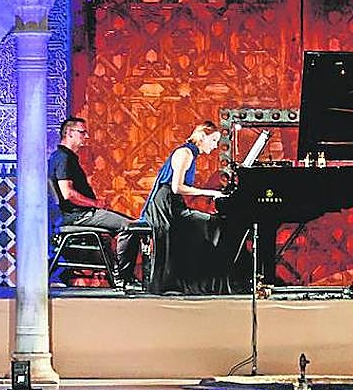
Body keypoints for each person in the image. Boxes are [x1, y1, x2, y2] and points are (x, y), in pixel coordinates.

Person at [48, 116, 138, 286]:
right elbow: (68, 193)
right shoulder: (63, 158)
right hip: (78, 216)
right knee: (131, 226)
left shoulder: (63, 157)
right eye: (82, 132)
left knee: (118, 230)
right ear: (69, 133)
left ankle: (117, 275)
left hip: (79, 214)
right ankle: (123, 277)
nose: (86, 136)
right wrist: (95, 204)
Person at [140, 121, 227, 294]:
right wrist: (209, 193)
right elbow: (176, 187)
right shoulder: (185, 153)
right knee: (207, 224)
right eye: (213, 140)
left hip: (173, 204)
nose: (215, 145)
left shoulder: (191, 154)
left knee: (207, 224)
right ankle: (192, 281)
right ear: (202, 136)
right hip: (165, 206)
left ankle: (199, 281)